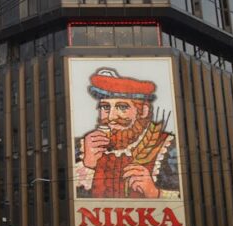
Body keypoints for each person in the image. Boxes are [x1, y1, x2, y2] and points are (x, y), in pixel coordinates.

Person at [75, 68, 179, 199]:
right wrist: (88, 165)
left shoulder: (168, 146)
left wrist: (154, 192)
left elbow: (188, 197)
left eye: (122, 107)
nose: (111, 117)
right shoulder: (83, 147)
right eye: (105, 107)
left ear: (143, 111)